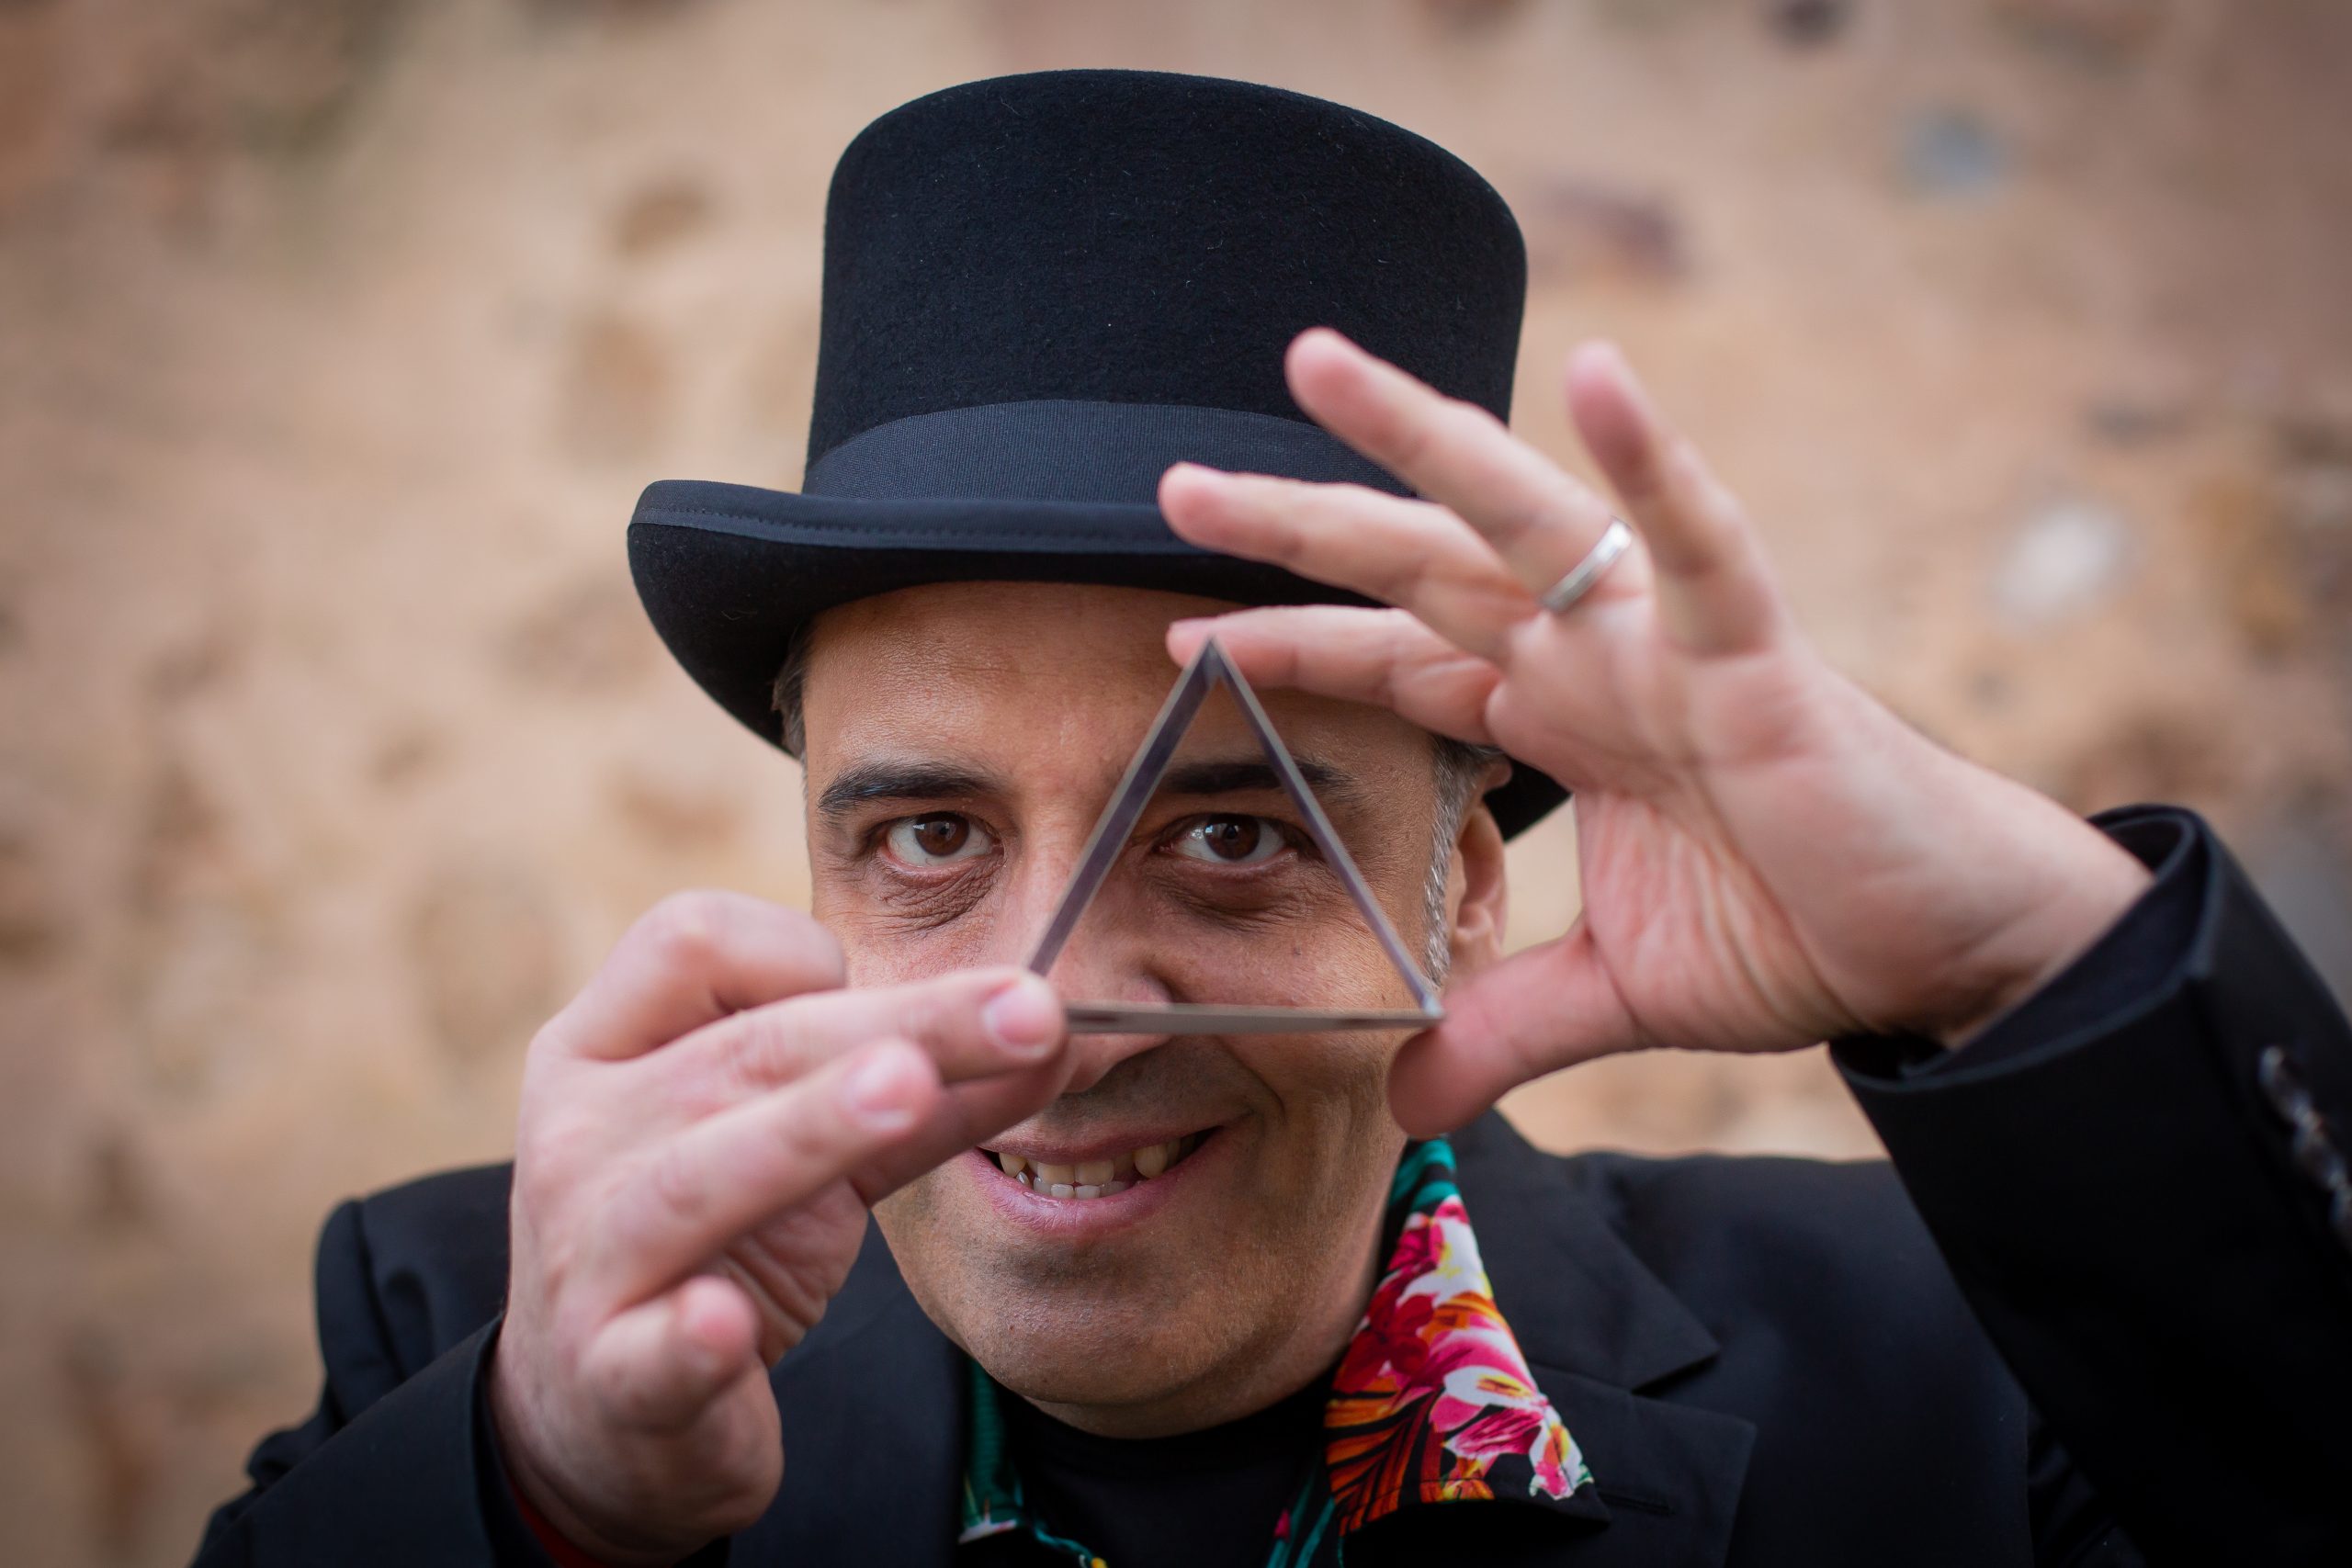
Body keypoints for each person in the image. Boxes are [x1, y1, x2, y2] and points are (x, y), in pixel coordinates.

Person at [192, 70, 2352, 1568]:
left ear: (1460, 883)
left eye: (1228, 836)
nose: (1054, 1015)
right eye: (927, 837)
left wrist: (2019, 952)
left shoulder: (1965, 1381)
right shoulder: (475, 1338)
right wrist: (552, 1500)